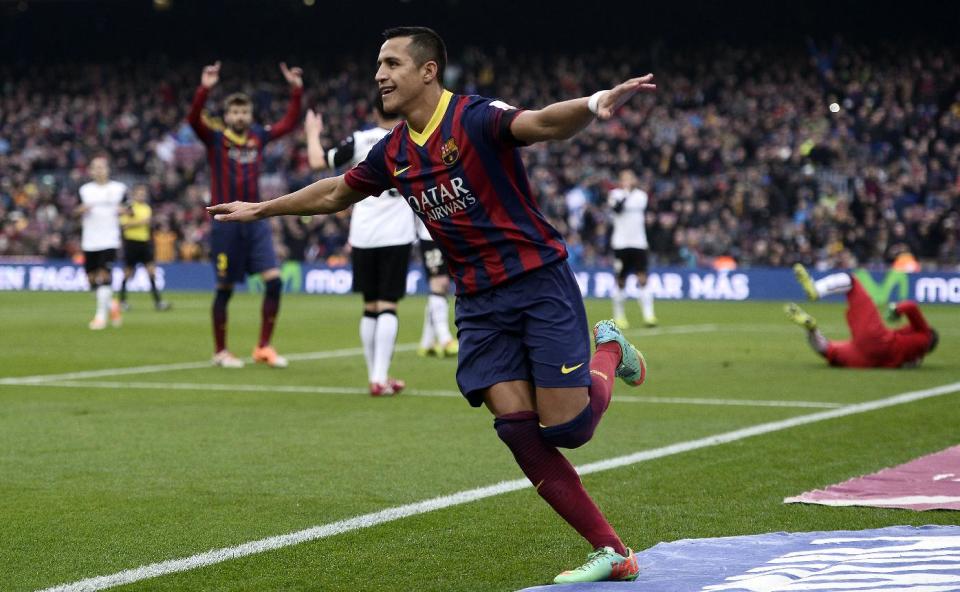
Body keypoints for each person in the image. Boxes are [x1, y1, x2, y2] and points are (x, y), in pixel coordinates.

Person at [209, 26, 654, 583]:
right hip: (478, 303)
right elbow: (333, 193)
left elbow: (539, 122)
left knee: (569, 429)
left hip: (537, 282)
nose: (379, 74)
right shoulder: (393, 151)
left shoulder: (473, 117)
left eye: (392, 63)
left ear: (427, 71)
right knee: (518, 428)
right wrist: (263, 209)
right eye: (378, 64)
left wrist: (594, 103)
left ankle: (609, 348)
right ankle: (613, 550)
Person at [188, 60, 303, 368]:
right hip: (225, 223)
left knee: (275, 282)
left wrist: (296, 90)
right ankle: (220, 351)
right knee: (224, 289)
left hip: (255, 220)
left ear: (250, 115)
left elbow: (289, 124)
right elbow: (192, 119)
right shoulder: (215, 139)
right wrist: (205, 89)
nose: (240, 116)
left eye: (244, 112)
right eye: (235, 112)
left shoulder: (258, 137)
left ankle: (263, 346)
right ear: (226, 116)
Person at [303, 98, 416, 396]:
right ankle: (380, 377)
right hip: (397, 233)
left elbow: (317, 162)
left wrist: (313, 132)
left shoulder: (360, 140)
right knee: (388, 305)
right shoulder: (413, 136)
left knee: (370, 306)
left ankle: (375, 377)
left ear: (374, 111)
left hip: (364, 234)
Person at [786, 264, 939, 368]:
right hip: (867, 360)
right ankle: (811, 329)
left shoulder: (924, 333)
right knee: (828, 352)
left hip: (878, 340)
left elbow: (911, 307)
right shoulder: (915, 359)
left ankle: (816, 289)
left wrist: (896, 310)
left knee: (852, 282)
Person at [77, 155, 126, 330]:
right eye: (95, 167)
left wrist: (125, 210)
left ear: (108, 169)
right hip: (90, 240)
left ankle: (100, 317)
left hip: (109, 239)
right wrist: (81, 209)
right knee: (91, 279)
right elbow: (75, 211)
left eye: (102, 167)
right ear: (90, 171)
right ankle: (111, 305)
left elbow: (130, 209)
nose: (99, 170)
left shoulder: (119, 189)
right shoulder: (84, 190)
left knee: (105, 275)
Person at [608, 168, 656, 328]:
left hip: (638, 243)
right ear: (620, 180)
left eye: (630, 178)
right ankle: (619, 316)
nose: (627, 181)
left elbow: (639, 206)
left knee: (642, 277)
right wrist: (626, 193)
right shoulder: (614, 194)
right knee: (621, 280)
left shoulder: (641, 196)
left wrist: (628, 193)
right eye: (624, 178)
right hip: (620, 243)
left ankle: (649, 316)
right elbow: (617, 209)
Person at [118, 184, 171, 311]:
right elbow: (124, 225)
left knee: (151, 272)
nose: (142, 195)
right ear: (134, 195)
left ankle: (158, 302)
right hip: (131, 243)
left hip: (145, 243)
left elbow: (146, 224)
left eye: (143, 193)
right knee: (128, 273)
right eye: (139, 193)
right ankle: (122, 301)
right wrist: (141, 222)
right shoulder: (129, 208)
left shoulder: (147, 208)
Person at [415, 218, 458, 358]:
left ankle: (427, 343)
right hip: (430, 233)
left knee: (442, 288)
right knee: (440, 283)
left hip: (452, 233)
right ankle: (445, 339)